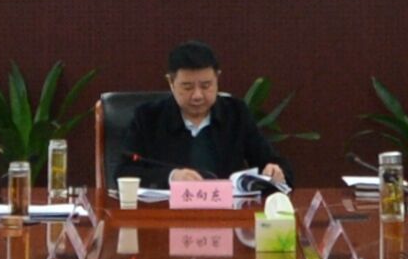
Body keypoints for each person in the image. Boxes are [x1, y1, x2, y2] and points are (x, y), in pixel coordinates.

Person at [110, 40, 283, 188]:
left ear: (217, 78)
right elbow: (123, 172)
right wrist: (171, 176)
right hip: (166, 212)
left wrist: (275, 171)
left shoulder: (236, 114)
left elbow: (272, 162)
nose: (197, 95)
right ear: (171, 82)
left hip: (224, 212)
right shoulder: (148, 117)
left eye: (206, 86)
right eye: (187, 87)